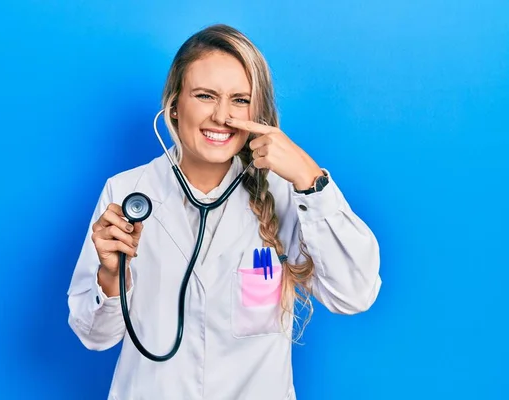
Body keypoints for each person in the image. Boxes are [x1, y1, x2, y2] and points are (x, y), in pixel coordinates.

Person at [67, 24, 381, 400]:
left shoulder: (285, 193)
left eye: (239, 100)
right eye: (204, 95)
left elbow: (355, 294)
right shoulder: (126, 193)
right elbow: (95, 336)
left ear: (257, 112)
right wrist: (110, 275)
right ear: (174, 104)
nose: (221, 116)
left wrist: (310, 179)